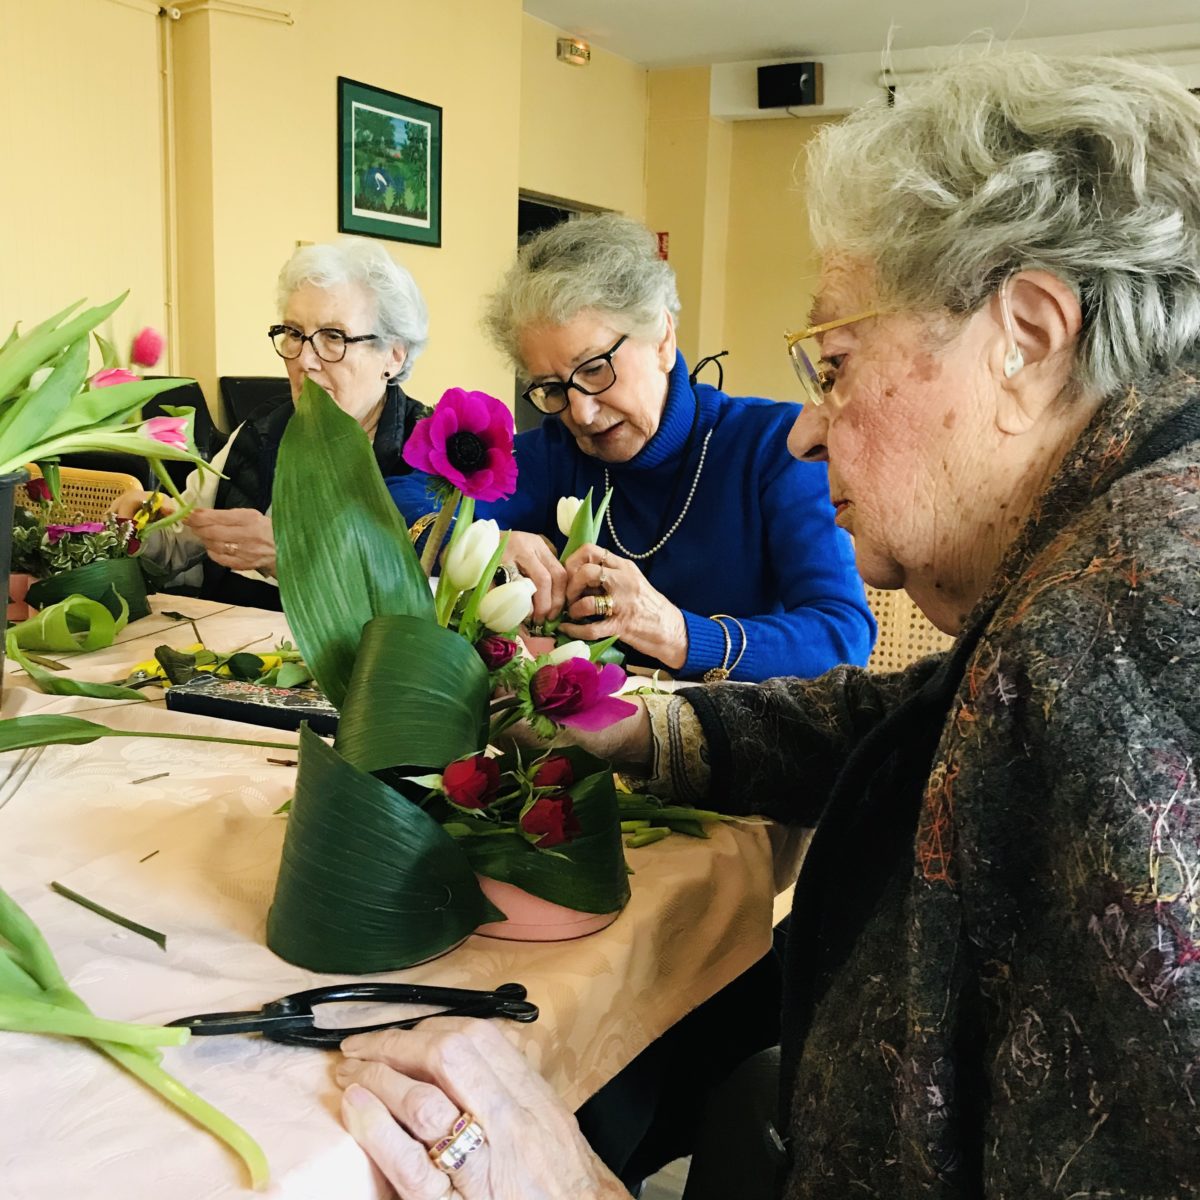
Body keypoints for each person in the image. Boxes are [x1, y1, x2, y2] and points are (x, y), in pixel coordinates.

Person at [333, 51, 1200, 1200]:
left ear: (1028, 337)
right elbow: (914, 718)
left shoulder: (1128, 636)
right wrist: (641, 734)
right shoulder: (1113, 563)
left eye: (836, 365)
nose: (807, 431)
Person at [389, 214, 874, 682]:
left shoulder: (771, 447)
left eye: (596, 368)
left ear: (662, 337)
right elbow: (397, 502)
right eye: (552, 388)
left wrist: (678, 633)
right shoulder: (560, 451)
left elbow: (841, 636)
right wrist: (483, 545)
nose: (579, 412)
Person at [114, 239, 430, 609]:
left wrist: (285, 558)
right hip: (232, 656)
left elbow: (425, 607)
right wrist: (143, 526)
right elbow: (184, 546)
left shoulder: (431, 454)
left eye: (333, 337)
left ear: (393, 354)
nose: (306, 360)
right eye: (295, 334)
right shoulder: (262, 430)